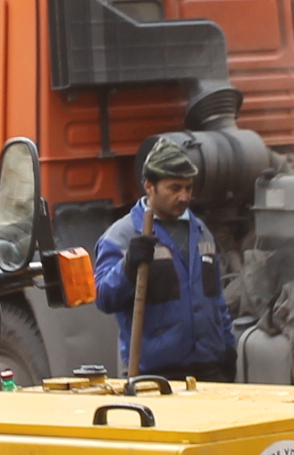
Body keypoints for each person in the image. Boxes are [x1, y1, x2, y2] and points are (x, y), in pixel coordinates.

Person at [92, 136, 236, 379]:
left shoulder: (201, 232)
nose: (184, 197)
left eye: (188, 188)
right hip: (154, 375)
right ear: (150, 187)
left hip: (208, 369)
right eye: (174, 188)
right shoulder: (123, 235)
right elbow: (104, 298)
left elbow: (217, 301)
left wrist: (228, 348)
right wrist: (128, 267)